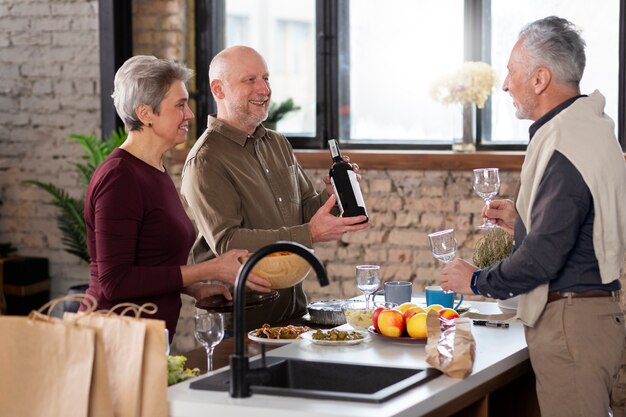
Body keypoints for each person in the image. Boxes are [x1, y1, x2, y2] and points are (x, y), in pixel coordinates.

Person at [438, 16, 626, 417]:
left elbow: (543, 257)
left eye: (511, 71)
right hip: (589, 318)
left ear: (540, 79)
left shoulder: (564, 141)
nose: (505, 84)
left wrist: (474, 280)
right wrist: (524, 222)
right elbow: (579, 227)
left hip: (571, 325)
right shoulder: (589, 126)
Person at [82, 55, 271, 341]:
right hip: (113, 340)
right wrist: (207, 270)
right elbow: (114, 282)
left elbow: (148, 265)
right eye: (180, 105)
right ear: (145, 113)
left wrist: (193, 287)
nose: (190, 114)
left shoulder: (154, 168)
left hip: (145, 338)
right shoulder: (119, 177)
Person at [181, 45, 369, 329]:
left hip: (293, 313)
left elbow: (305, 208)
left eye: (266, 78)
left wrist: (333, 197)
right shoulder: (205, 160)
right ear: (218, 89)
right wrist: (309, 234)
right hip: (242, 325)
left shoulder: (277, 143)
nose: (265, 89)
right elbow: (228, 244)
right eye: (250, 80)